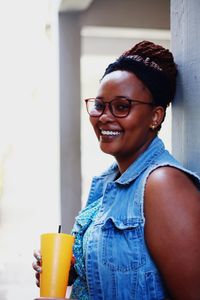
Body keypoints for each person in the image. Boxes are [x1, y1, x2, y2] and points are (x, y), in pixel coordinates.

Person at [33, 40, 200, 299]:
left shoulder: (162, 184)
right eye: (99, 105)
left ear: (155, 117)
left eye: (122, 106)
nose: (104, 117)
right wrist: (75, 270)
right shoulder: (108, 181)